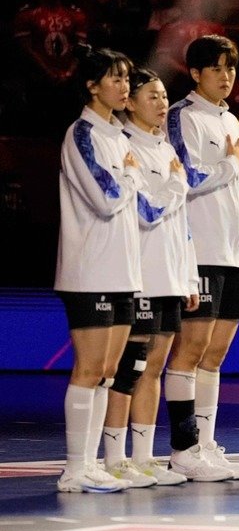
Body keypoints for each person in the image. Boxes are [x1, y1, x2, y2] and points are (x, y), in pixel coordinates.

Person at [99, 69, 199, 488]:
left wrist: (189, 276)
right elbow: (147, 210)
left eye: (163, 96)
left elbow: (182, 224)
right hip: (140, 275)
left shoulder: (165, 148)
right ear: (132, 102)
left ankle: (142, 457)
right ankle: (114, 458)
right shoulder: (126, 147)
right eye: (152, 96)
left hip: (170, 276)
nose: (162, 104)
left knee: (154, 367)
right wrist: (179, 184)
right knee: (129, 369)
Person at [165, 35, 239, 481]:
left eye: (231, 68)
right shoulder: (182, 116)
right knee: (190, 351)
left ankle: (205, 443)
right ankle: (183, 448)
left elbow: (236, 197)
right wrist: (231, 165)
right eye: (216, 68)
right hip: (198, 251)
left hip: (233, 254)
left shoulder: (232, 121)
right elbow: (186, 178)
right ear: (196, 73)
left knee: (215, 355)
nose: (226, 76)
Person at [54, 47, 142, 494]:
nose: (124, 86)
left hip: (122, 270)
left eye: (126, 78)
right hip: (89, 271)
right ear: (92, 86)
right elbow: (106, 199)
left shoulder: (121, 137)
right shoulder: (82, 134)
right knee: (89, 369)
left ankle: (92, 465)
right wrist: (130, 177)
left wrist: (131, 174)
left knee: (108, 371)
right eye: (114, 78)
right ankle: (74, 467)